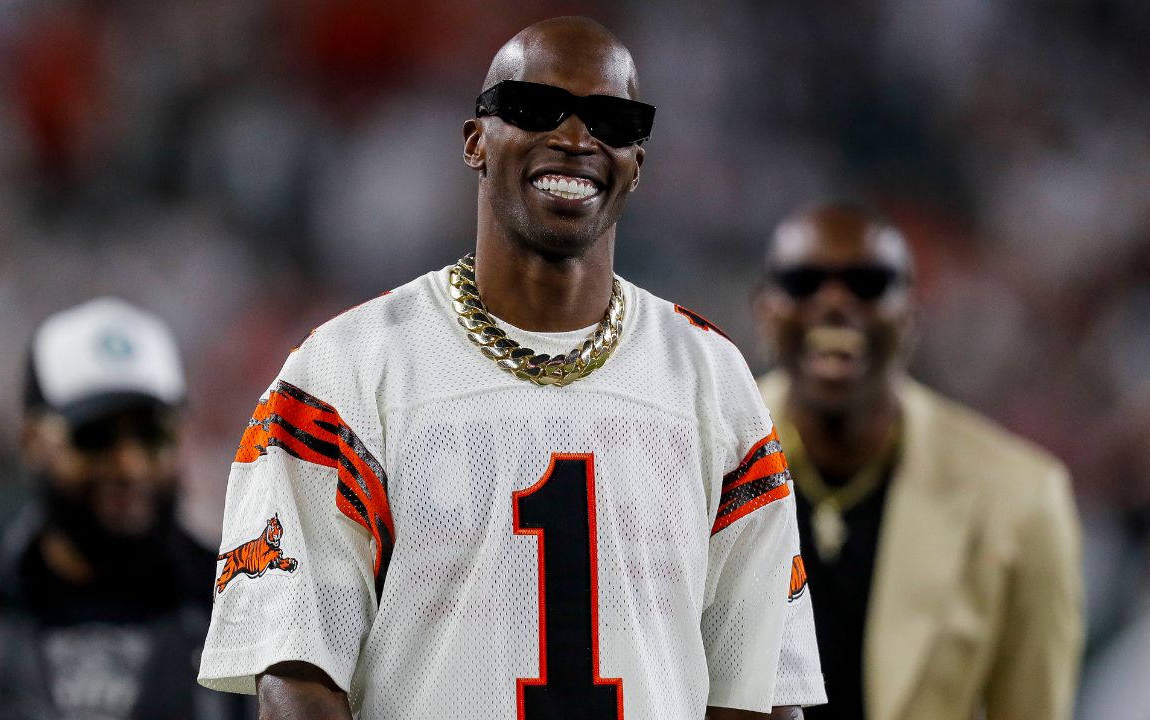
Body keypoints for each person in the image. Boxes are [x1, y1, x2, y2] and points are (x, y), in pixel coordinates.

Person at [197, 16, 824, 720]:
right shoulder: (344, 371)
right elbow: (296, 679)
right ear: (475, 142)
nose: (576, 139)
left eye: (612, 120)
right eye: (533, 109)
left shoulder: (712, 381)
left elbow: (761, 691)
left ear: (638, 164)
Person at [753, 203, 1084, 720]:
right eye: (803, 282)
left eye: (869, 284)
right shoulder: (693, 462)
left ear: (911, 311)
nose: (835, 302)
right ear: (765, 309)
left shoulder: (1020, 496)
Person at [0, 297, 253, 720]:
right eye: (95, 436)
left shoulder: (240, 612)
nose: (129, 465)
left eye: (151, 435)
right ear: (33, 441)